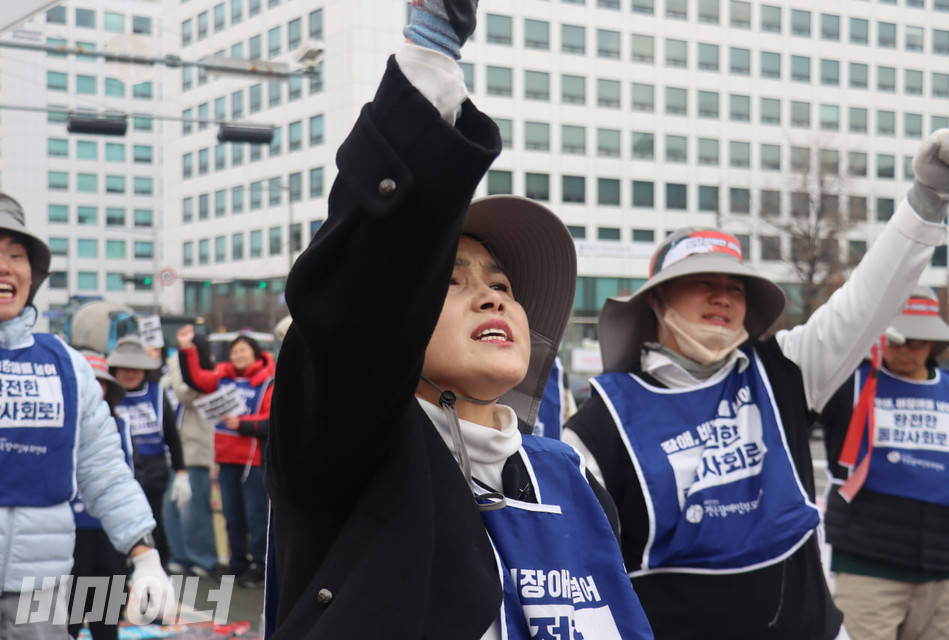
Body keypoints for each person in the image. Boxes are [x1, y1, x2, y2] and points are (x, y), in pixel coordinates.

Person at [263, 2, 655, 638]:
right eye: (451, 281)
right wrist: (432, 53)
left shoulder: (571, 476)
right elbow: (352, 311)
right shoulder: (346, 455)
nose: (493, 298)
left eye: (502, 284)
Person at [562, 129, 949, 639]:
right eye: (701, 282)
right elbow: (578, 569)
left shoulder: (783, 370)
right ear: (657, 302)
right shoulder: (601, 423)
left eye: (735, 287)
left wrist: (925, 202)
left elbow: (868, 300)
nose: (722, 296)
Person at [0, 193, 172, 638]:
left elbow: (103, 468)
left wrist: (143, 553)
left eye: (16, 256)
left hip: (40, 590)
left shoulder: (66, 364)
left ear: (32, 275)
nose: (5, 267)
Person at [819, 286, 949, 639]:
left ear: (934, 344)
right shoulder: (847, 383)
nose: (905, 350)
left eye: (917, 341)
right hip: (868, 563)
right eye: (897, 338)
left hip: (945, 569)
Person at [177, 329, 273, 588]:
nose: (238, 355)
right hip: (226, 460)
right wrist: (187, 349)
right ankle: (237, 562)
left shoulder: (268, 382)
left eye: (243, 350)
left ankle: (259, 565)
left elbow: (271, 420)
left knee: (256, 516)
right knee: (231, 516)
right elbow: (195, 379)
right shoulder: (223, 379)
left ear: (256, 353)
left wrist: (241, 424)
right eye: (234, 351)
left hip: (253, 463)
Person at [68, 350, 133, 640]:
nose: (95, 387)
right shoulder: (58, 425)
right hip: (66, 534)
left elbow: (127, 478)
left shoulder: (120, 425)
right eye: (88, 380)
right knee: (63, 620)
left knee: (105, 622)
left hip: (108, 534)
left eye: (101, 382)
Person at [107, 336, 188, 568]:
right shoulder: (104, 393)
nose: (130, 373)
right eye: (124, 368)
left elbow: (172, 436)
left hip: (153, 472)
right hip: (116, 470)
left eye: (136, 368)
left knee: (153, 525)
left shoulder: (157, 393)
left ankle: (157, 575)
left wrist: (181, 471)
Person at [161, 332, 220, 578]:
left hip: (195, 452)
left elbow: (185, 394)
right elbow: (163, 389)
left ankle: (203, 559)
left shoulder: (207, 376)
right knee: (171, 508)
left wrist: (176, 363)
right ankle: (180, 555)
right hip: (173, 452)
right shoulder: (173, 374)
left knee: (193, 510)